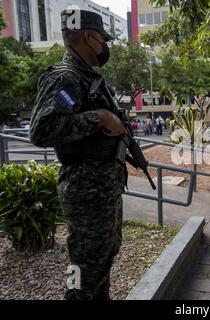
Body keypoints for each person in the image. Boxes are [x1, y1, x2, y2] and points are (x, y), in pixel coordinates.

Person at [29, 9, 126, 299]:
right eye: (103, 39)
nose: (105, 46)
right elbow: (41, 130)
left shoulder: (87, 78)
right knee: (82, 271)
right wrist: (101, 118)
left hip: (101, 191)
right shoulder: (65, 78)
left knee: (101, 260)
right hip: (85, 193)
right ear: (89, 37)